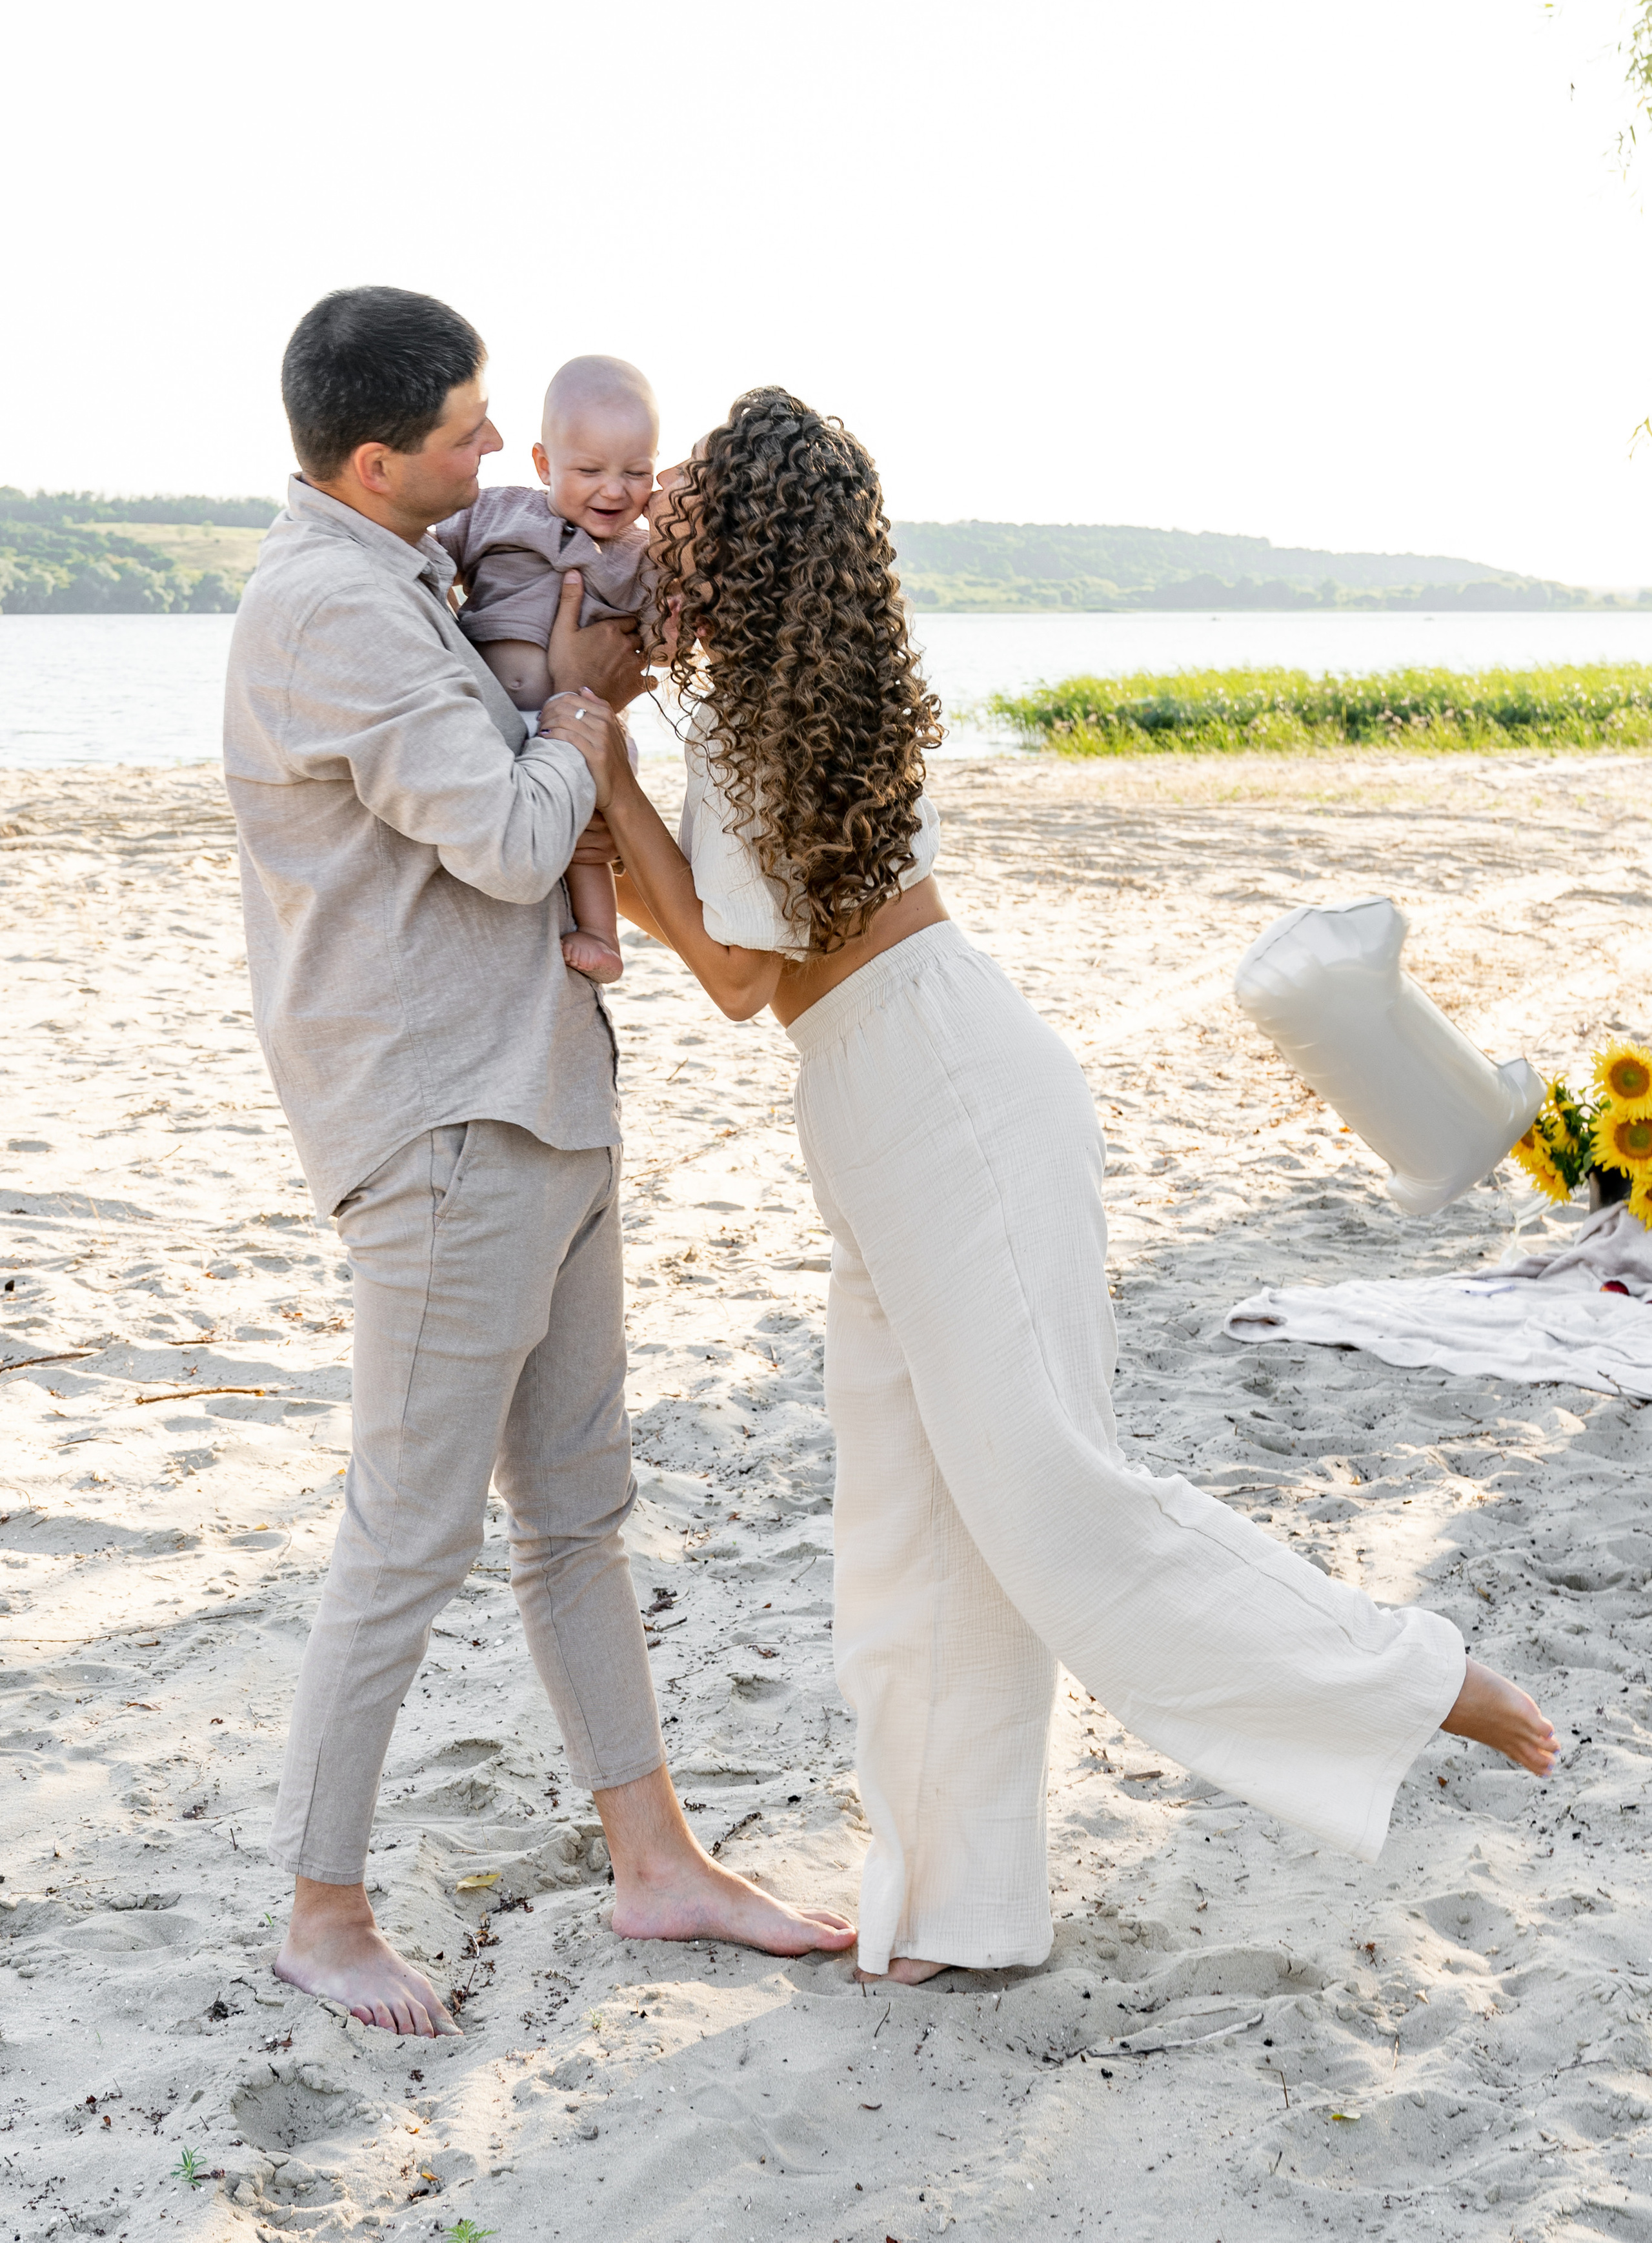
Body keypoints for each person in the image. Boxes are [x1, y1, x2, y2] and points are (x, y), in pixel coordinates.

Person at [544, 385, 1560, 1987]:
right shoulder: (771, 700)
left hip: (950, 1095)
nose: (651, 525)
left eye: (684, 510)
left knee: (1049, 1498)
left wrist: (596, 760)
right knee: (912, 1533)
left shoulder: (765, 724)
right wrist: (604, 749)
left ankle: (1414, 1678)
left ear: (738, 543)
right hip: (877, 1101)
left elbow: (734, 975)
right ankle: (957, 1910)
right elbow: (744, 955)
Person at [224, 296, 855, 2036]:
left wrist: (581, 684)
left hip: (543, 1099)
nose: (496, 449)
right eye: (466, 428)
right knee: (408, 1531)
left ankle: (655, 1861)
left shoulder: (419, 571)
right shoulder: (329, 609)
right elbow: (512, 846)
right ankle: (321, 1910)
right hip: (443, 1126)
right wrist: (580, 714)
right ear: (376, 462)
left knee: (577, 1513)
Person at [434, 354, 660, 984]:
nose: (613, 491)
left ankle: (600, 933)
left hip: (581, 722)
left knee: (587, 841)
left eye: (636, 473)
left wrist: (669, 622)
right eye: (589, 471)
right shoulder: (497, 512)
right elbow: (429, 556)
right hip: (494, 724)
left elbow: (663, 637)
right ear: (543, 465)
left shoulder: (642, 556)